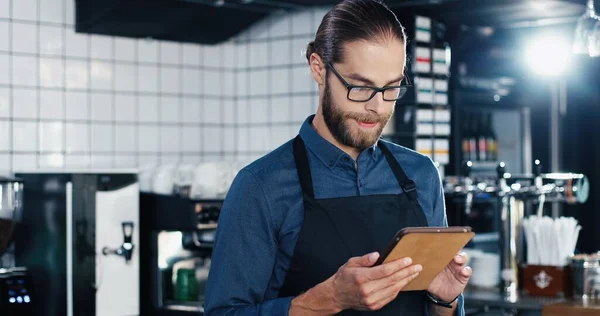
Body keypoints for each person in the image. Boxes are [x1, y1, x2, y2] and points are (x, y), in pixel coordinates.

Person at [204, 0, 472, 315]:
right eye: (360, 87)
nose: (377, 107)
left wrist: (445, 301)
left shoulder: (421, 173)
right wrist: (329, 299)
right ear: (319, 68)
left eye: (391, 88)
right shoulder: (260, 185)